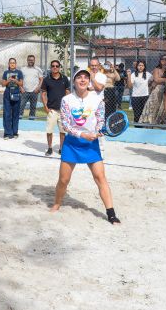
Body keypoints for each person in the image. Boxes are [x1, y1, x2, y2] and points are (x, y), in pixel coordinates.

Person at [51, 69, 120, 225]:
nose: (82, 80)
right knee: (63, 180)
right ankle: (57, 203)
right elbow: (66, 124)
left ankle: (111, 213)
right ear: (74, 81)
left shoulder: (97, 100)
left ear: (89, 82)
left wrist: (98, 131)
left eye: (85, 77)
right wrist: (82, 135)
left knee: (100, 178)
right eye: (79, 77)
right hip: (72, 143)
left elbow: (100, 120)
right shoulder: (67, 100)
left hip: (91, 144)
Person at [40, 59, 70, 156]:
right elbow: (43, 94)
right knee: (49, 131)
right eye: (53, 66)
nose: (55, 67)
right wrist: (45, 107)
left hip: (62, 110)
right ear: (50, 67)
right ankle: (49, 148)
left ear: (59, 67)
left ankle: (61, 148)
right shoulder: (46, 79)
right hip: (51, 110)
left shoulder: (64, 79)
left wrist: (67, 107)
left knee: (62, 131)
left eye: (57, 66)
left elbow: (68, 92)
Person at [139, 55, 166, 124]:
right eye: (162, 59)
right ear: (160, 60)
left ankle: (163, 124)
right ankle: (150, 123)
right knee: (153, 108)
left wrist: (161, 80)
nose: (164, 60)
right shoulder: (156, 69)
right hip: (157, 92)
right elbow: (156, 79)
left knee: (164, 109)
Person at [1, 58, 23, 139]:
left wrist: (16, 81)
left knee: (15, 114)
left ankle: (14, 132)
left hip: (16, 93)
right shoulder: (6, 72)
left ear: (16, 64)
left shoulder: (19, 72)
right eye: (11, 63)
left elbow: (21, 84)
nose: (12, 64)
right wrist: (8, 80)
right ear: (9, 64)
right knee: (7, 114)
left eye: (13, 63)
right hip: (7, 94)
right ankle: (7, 133)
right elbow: (3, 84)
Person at [19, 55, 44, 120]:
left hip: (34, 92)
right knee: (21, 107)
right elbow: (19, 80)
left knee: (33, 108)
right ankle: (19, 121)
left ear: (34, 60)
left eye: (32, 60)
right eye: (29, 60)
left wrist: (38, 88)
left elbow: (41, 79)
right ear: (27, 60)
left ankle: (31, 121)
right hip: (24, 92)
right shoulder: (23, 69)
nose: (31, 61)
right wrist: (21, 88)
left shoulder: (38, 69)